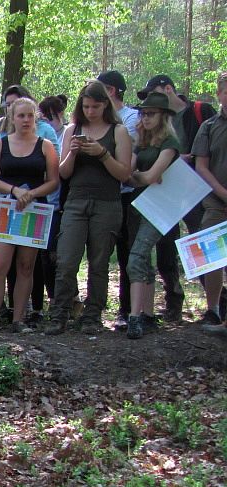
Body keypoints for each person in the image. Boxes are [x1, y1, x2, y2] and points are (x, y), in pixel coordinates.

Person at [44, 79, 133, 335]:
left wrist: (102, 154)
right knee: (66, 260)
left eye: (95, 106)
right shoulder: (72, 129)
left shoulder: (118, 132)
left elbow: (124, 174)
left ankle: (92, 316)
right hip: (76, 202)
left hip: (107, 203)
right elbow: (63, 173)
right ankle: (60, 314)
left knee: (99, 262)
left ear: (105, 105)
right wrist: (73, 152)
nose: (90, 112)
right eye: (86, 107)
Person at [138, 74, 218, 321]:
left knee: (201, 244)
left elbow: (212, 145)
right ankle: (173, 301)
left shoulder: (200, 111)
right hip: (165, 191)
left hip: (194, 189)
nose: (151, 102)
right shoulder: (154, 123)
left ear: (168, 89)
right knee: (165, 247)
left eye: (155, 93)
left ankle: (215, 305)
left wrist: (189, 158)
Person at [0, 97, 59, 334]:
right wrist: (14, 190)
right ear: (12, 118)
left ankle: (19, 320)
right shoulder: (1, 143)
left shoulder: (45, 145)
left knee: (26, 266)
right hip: (6, 209)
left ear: (36, 118)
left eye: (30, 115)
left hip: (34, 210)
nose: (26, 120)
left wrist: (32, 193)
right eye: (21, 115)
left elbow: (53, 181)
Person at [123, 92, 181, 339]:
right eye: (143, 113)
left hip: (160, 207)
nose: (145, 118)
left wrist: (137, 177)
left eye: (151, 114)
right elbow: (129, 173)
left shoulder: (170, 143)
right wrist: (138, 177)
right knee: (143, 260)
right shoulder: (142, 141)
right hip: (138, 204)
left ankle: (135, 317)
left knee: (136, 258)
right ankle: (147, 314)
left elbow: (149, 176)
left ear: (163, 116)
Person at [96, 70, 145, 331]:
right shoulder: (96, 120)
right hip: (101, 193)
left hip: (125, 194)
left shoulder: (131, 118)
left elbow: (127, 156)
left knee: (127, 251)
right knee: (100, 252)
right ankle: (95, 308)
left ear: (111, 91)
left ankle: (126, 310)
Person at [194, 72, 227, 333]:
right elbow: (201, 166)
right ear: (219, 94)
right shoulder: (208, 126)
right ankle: (213, 310)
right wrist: (222, 193)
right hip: (216, 203)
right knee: (212, 257)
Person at [34, 95, 70, 319]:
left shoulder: (66, 134)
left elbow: (61, 172)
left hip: (59, 204)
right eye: (44, 117)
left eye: (51, 117)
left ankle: (65, 300)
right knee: (44, 255)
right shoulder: (38, 134)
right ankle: (51, 300)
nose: (47, 122)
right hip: (41, 204)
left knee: (58, 255)